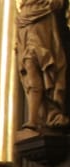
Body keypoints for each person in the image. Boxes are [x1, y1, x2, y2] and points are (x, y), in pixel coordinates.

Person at [17, 0, 69, 131]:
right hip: (25, 20)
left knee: (40, 62)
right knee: (29, 67)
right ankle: (36, 117)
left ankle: (43, 115)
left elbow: (59, 3)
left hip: (43, 18)